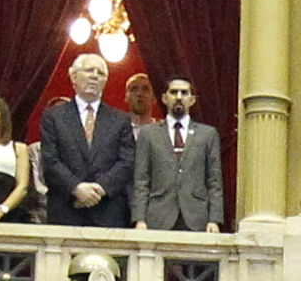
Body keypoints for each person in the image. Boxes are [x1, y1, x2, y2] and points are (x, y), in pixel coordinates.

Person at [36, 51, 137, 227]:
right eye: (89, 71)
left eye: (100, 73)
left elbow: (126, 162)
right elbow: (50, 161)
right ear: (73, 76)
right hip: (66, 209)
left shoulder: (120, 120)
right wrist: (76, 188)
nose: (94, 77)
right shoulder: (54, 116)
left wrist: (99, 189)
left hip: (107, 211)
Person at [137, 74, 226, 232]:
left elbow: (214, 181)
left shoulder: (208, 134)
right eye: (173, 92)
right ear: (164, 98)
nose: (179, 97)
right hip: (157, 218)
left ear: (192, 100)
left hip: (197, 219)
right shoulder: (148, 134)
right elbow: (141, 180)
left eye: (184, 93)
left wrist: (215, 219)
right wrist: (139, 219)